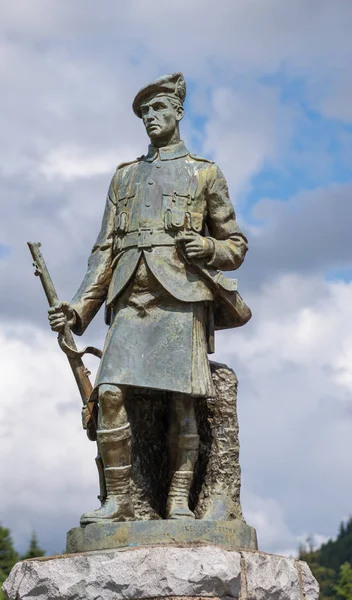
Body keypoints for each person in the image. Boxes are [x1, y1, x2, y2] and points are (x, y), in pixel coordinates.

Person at [48, 72, 250, 523]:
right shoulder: (123, 179)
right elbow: (104, 249)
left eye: (159, 109)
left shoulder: (205, 173)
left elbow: (235, 245)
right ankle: (118, 500)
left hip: (181, 297)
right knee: (110, 392)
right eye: (145, 113)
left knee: (182, 401)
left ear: (178, 112)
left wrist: (209, 248)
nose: (151, 119)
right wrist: (80, 309)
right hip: (130, 300)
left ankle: (178, 499)